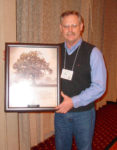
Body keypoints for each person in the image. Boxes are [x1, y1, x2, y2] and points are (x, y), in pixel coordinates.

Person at [55, 10, 107, 150]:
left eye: (74, 25)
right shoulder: (55, 50)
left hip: (84, 114)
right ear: (61, 28)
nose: (70, 30)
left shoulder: (93, 52)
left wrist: (73, 102)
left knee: (84, 148)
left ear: (81, 26)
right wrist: (14, 55)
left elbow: (99, 86)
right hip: (61, 113)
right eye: (66, 26)